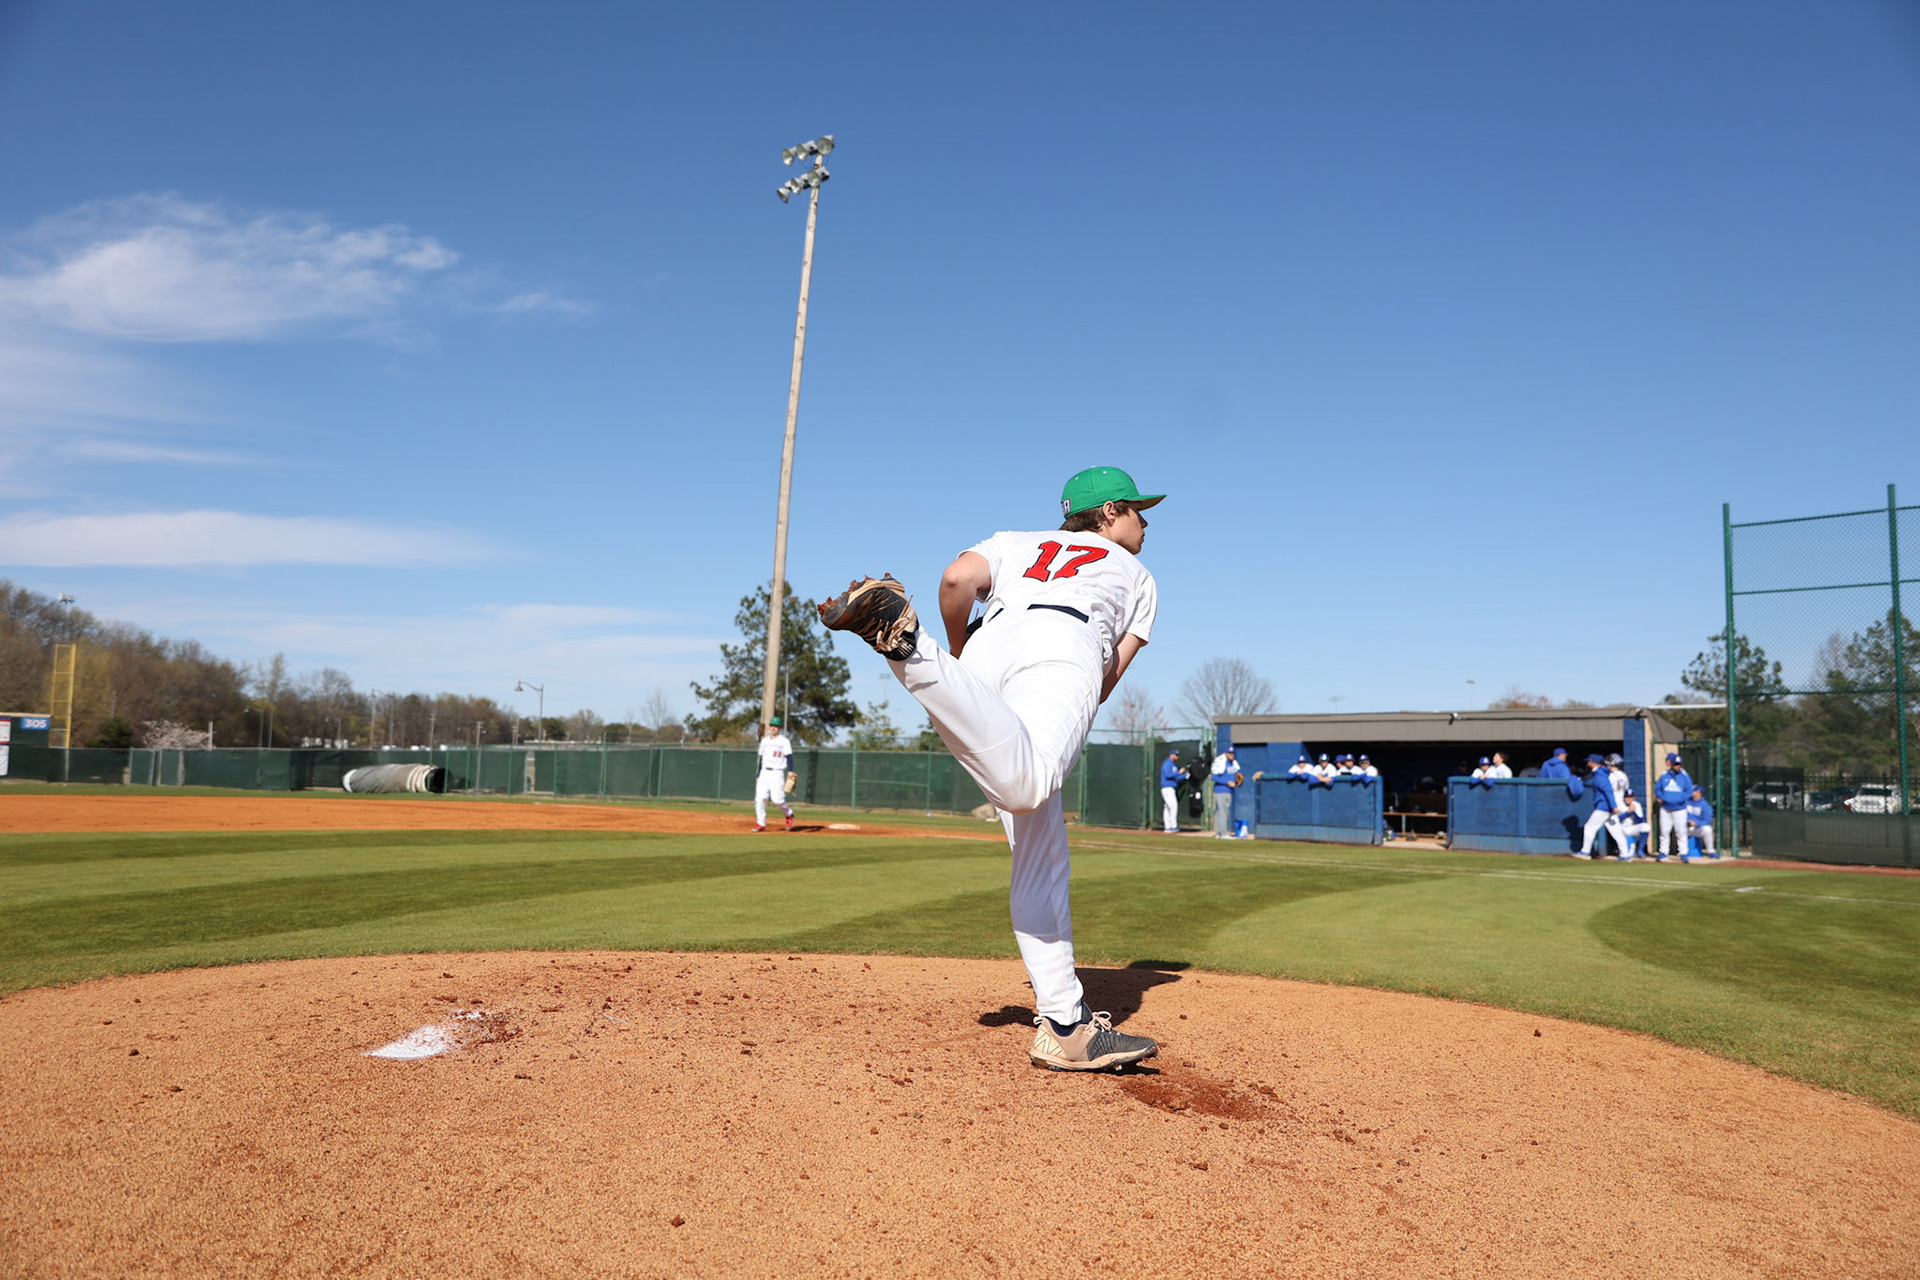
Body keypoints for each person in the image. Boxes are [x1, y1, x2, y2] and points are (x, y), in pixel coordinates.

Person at [818, 464, 1162, 1072]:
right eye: (1137, 510)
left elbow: (956, 580)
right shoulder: (1137, 574)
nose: (1144, 522)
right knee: (1029, 786)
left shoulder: (1014, 542)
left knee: (1040, 843)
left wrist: (962, 652)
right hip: (1065, 649)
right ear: (1108, 512)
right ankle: (910, 648)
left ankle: (1064, 1024)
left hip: (984, 651)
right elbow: (1107, 681)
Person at [1576, 753, 1626, 859]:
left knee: (1589, 827)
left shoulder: (1601, 774)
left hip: (1606, 806)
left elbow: (1607, 790)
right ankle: (1625, 853)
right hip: (1613, 805)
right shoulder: (1616, 774)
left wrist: (1613, 806)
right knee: (1616, 830)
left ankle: (1585, 852)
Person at [753, 717, 794, 832]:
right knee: (759, 798)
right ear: (769, 727)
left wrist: (791, 771)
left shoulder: (784, 741)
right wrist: (758, 775)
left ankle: (789, 814)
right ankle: (760, 823)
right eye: (772, 725)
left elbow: (789, 757)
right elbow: (761, 759)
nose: (773, 728)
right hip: (765, 772)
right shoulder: (765, 741)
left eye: (776, 726)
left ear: (779, 728)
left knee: (777, 800)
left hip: (777, 772)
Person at [1653, 752, 1695, 862]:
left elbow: (1689, 791)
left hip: (1680, 808)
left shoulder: (1684, 776)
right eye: (1675, 764)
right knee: (1664, 831)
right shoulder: (1664, 775)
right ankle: (1663, 852)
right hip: (1666, 808)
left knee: (1681, 832)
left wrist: (1679, 799)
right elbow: (1657, 789)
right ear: (1670, 764)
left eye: (1679, 764)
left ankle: (1684, 853)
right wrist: (1662, 797)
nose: (1678, 766)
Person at [1212, 747, 1239, 838]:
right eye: (1230, 753)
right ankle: (1223, 833)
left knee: (1222, 812)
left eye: (1233, 753)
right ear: (1226, 753)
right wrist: (1227, 782)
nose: (1232, 754)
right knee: (1223, 812)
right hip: (1222, 790)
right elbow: (1214, 777)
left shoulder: (1232, 763)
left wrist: (1236, 781)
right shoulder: (1221, 762)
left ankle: (1219, 833)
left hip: (1229, 790)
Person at [1685, 786, 1717, 860]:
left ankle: (1711, 852)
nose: (1692, 793)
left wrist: (1696, 823)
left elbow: (1707, 820)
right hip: (1686, 827)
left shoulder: (1705, 805)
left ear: (1699, 793)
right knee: (1678, 828)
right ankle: (1682, 852)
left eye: (1694, 791)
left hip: (1697, 828)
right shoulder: (1686, 801)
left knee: (1708, 829)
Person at [1617, 789, 1649, 858]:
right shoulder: (1619, 804)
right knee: (1628, 854)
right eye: (1627, 797)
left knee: (1646, 827)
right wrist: (1628, 812)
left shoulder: (1637, 804)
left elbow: (1640, 821)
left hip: (1632, 828)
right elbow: (1618, 820)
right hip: (1622, 829)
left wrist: (1633, 812)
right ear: (1624, 798)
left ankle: (1640, 850)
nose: (1629, 799)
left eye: (1631, 797)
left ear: (1633, 798)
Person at [1159, 749, 1183, 834]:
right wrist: (1179, 772)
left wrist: (1185, 775)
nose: (1178, 757)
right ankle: (1173, 826)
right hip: (1167, 787)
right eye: (1176, 755)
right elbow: (1168, 775)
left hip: (1171, 787)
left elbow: (1176, 777)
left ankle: (1168, 827)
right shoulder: (1167, 763)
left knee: (1167, 807)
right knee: (1173, 806)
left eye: (1178, 755)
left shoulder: (1173, 765)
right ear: (1171, 755)